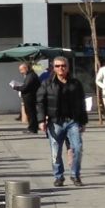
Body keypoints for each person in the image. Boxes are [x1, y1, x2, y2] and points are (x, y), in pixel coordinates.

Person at [38, 54, 90, 186]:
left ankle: (75, 175)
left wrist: (83, 121)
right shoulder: (47, 84)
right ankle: (58, 176)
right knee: (56, 152)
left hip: (73, 121)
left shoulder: (75, 84)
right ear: (53, 68)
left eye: (63, 66)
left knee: (77, 148)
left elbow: (81, 103)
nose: (61, 68)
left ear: (68, 67)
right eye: (57, 66)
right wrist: (41, 120)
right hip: (55, 122)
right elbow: (40, 102)